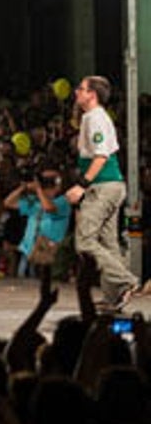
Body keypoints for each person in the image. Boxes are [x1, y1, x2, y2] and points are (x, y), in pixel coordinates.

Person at [64, 76, 141, 310]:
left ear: (93, 95)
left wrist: (82, 185)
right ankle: (113, 297)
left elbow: (101, 156)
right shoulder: (92, 117)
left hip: (103, 186)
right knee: (108, 244)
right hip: (112, 185)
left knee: (85, 242)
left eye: (82, 89)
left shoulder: (95, 118)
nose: (77, 91)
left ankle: (126, 281)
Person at [3, 169, 70, 277]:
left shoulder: (63, 202)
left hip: (49, 251)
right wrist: (23, 188)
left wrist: (38, 190)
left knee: (44, 283)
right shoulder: (34, 201)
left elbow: (48, 208)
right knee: (24, 284)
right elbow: (8, 203)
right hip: (29, 251)